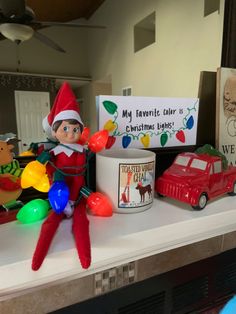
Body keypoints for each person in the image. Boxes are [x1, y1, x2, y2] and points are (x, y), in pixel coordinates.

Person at [31, 82, 91, 270]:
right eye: (65, 129)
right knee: (49, 224)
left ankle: (85, 259)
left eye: (75, 129)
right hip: (59, 198)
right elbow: (39, 165)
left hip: (79, 197)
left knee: (82, 224)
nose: (71, 133)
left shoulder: (84, 151)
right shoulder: (54, 152)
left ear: (80, 130)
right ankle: (37, 260)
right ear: (55, 132)